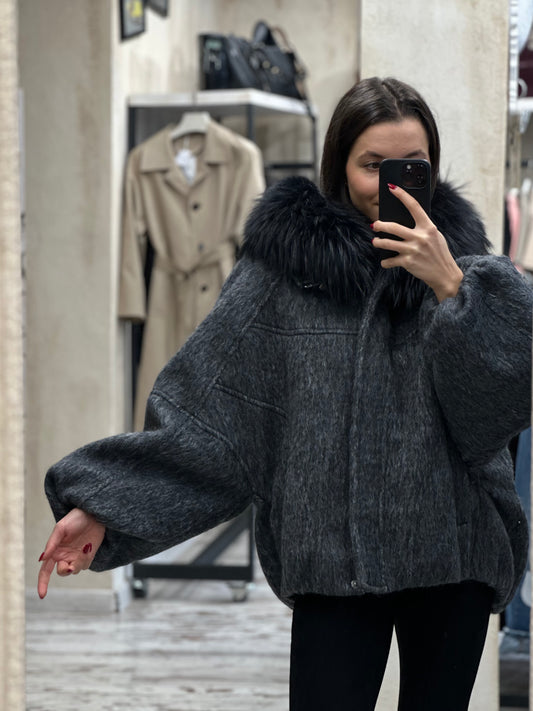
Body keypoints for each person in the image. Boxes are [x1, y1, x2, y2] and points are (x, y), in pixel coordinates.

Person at [38, 77, 532, 711]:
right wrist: (105, 503)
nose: (392, 185)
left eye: (412, 165)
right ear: (338, 166)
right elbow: (209, 415)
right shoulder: (283, 273)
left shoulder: (468, 270)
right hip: (333, 560)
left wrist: (452, 289)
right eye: (372, 165)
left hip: (455, 552)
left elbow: (504, 406)